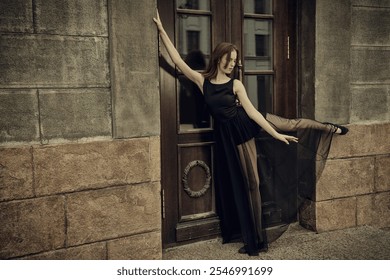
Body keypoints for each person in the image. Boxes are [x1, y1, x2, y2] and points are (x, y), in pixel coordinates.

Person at [153, 10, 348, 256]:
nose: (233, 63)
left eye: (235, 60)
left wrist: (276, 135)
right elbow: (178, 62)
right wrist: (161, 31)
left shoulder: (236, 84)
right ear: (219, 57)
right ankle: (255, 238)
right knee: (250, 184)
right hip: (230, 137)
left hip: (247, 125)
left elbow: (254, 113)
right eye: (229, 59)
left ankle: (330, 128)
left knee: (291, 124)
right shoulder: (203, 82)